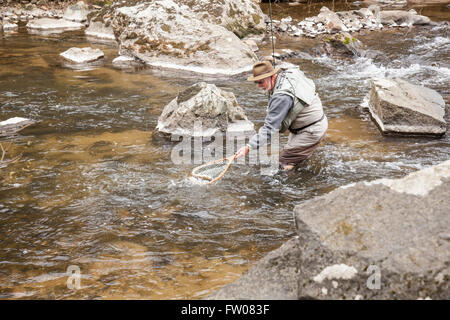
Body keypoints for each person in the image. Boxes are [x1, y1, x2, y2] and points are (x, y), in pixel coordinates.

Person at [235, 60, 327, 171]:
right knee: (293, 156)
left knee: (282, 164)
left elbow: (269, 129)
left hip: (311, 131)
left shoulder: (281, 97)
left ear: (273, 76)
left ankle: (294, 185)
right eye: (256, 82)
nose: (259, 86)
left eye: (261, 82)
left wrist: (248, 147)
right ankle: (303, 168)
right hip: (316, 123)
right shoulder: (289, 74)